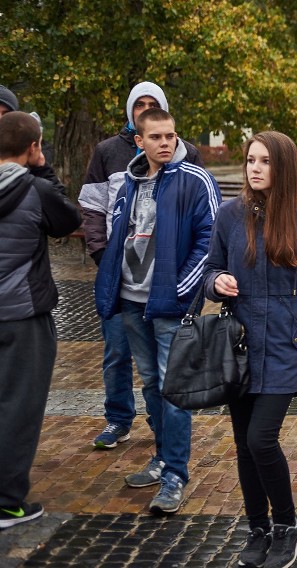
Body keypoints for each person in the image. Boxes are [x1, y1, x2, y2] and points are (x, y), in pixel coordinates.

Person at [204, 131, 297, 568]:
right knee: (243, 443)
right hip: (238, 345)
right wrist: (216, 283)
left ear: (283, 167)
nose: (254, 168)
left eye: (264, 161)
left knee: (261, 439)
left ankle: (288, 524)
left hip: (284, 344)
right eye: (250, 160)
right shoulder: (228, 214)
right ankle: (257, 527)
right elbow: (211, 269)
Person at [94, 108, 220, 515]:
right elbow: (122, 235)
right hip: (132, 301)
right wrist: (111, 283)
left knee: (173, 388)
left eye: (170, 135)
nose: (165, 143)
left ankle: (175, 475)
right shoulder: (130, 182)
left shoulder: (195, 179)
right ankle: (162, 457)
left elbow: (210, 239)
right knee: (150, 383)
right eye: (156, 137)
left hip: (171, 304)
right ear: (139, 141)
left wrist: (181, 289)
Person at [78, 81, 203, 450]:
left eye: (152, 104)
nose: (143, 109)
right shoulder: (107, 152)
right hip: (121, 279)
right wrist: (104, 258)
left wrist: (184, 280)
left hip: (166, 284)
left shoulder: (186, 156)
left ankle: (163, 435)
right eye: (139, 104)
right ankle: (118, 419)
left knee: (163, 371)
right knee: (117, 353)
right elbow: (93, 208)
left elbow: (201, 222)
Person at [0, 112, 81, 528]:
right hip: (22, 317)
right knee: (18, 408)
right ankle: (7, 503)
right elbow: (69, 219)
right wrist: (44, 168)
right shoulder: (34, 189)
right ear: (32, 148)